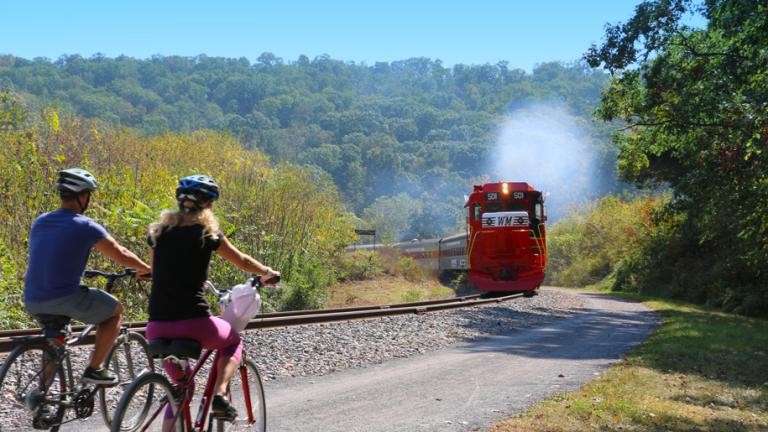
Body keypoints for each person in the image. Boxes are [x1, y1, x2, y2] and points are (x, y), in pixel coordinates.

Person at [145, 174, 279, 422]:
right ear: (208, 204)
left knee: (180, 389)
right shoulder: (207, 234)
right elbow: (243, 261)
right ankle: (220, 395)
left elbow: (155, 273)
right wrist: (267, 273)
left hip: (155, 327)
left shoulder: (159, 234)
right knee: (232, 341)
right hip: (195, 324)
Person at [24, 168, 152, 385]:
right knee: (114, 312)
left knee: (56, 340)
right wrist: (146, 269)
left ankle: (42, 398)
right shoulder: (85, 225)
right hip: (64, 297)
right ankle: (94, 369)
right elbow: (121, 254)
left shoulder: (41, 221)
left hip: (33, 299)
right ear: (83, 196)